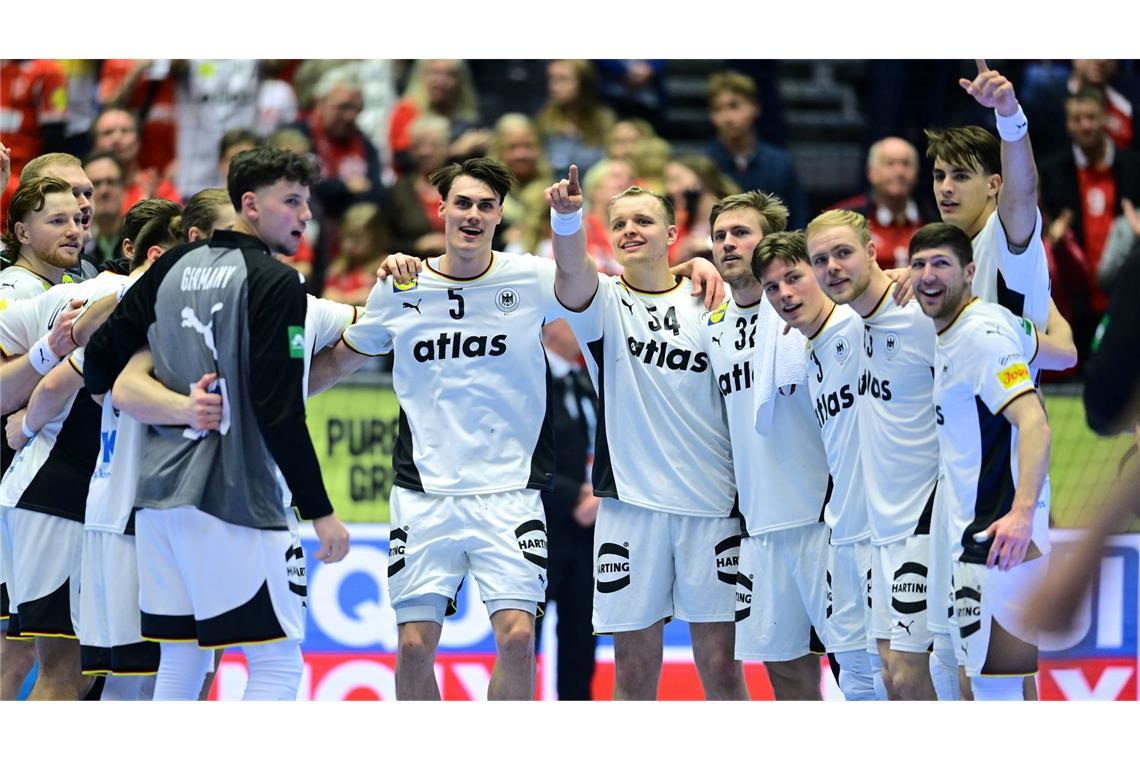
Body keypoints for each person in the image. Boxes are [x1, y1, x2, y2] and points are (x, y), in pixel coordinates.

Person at [82, 145, 349, 700]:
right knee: (277, 663)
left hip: (159, 502)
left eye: (306, 202)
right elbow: (279, 408)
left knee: (181, 661)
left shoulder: (172, 266)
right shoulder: (277, 283)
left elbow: (99, 361)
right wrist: (320, 512)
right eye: (291, 201)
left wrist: (171, 395)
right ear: (249, 205)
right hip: (235, 498)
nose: (305, 215)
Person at [805, 209, 1076, 700]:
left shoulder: (967, 325)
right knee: (940, 678)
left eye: (843, 253)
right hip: (934, 532)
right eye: (820, 259)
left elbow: (1051, 382)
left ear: (872, 252)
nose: (832, 267)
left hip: (981, 530)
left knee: (986, 684)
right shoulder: (879, 325)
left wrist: (1024, 513)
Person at [547, 172, 742, 701]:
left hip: (711, 505)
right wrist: (567, 218)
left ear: (672, 233)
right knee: (632, 674)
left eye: (643, 221)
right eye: (619, 224)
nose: (629, 230)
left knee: (723, 670)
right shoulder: (602, 302)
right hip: (631, 509)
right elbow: (571, 268)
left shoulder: (712, 300)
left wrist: (697, 264)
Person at [909, 222, 1053, 701]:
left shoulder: (980, 335)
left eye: (941, 264)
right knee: (976, 687)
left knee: (998, 698)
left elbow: (1034, 424)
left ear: (970, 272)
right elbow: (1061, 350)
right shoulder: (955, 332)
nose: (928, 276)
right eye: (919, 265)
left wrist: (1022, 515)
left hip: (999, 546)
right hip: (972, 545)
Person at [701, 191, 831, 700]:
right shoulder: (707, 324)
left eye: (741, 233)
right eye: (719, 236)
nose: (728, 244)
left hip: (825, 520)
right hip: (759, 526)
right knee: (786, 677)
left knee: (861, 670)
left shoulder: (813, 310)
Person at [754, 230, 879, 701]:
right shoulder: (807, 354)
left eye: (794, 278)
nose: (784, 294)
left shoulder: (861, 324)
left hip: (888, 534)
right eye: (772, 287)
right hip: (841, 535)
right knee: (857, 682)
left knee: (904, 676)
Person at [535, 318, 599, 700]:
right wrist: (576, 497)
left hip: (591, 529)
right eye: (571, 318)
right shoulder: (528, 374)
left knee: (581, 639)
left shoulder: (587, 378)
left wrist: (602, 493)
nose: (582, 326)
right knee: (521, 639)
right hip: (540, 526)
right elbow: (519, 450)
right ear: (550, 324)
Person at [703, 71, 807, 228]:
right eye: (718, 109)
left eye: (734, 106)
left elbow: (798, 222)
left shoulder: (780, 164)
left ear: (755, 107)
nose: (727, 117)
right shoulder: (704, 165)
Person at [831, 137, 938, 269]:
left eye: (906, 164)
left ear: (917, 172)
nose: (899, 172)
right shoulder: (843, 218)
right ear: (871, 172)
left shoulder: (934, 219)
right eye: (890, 163)